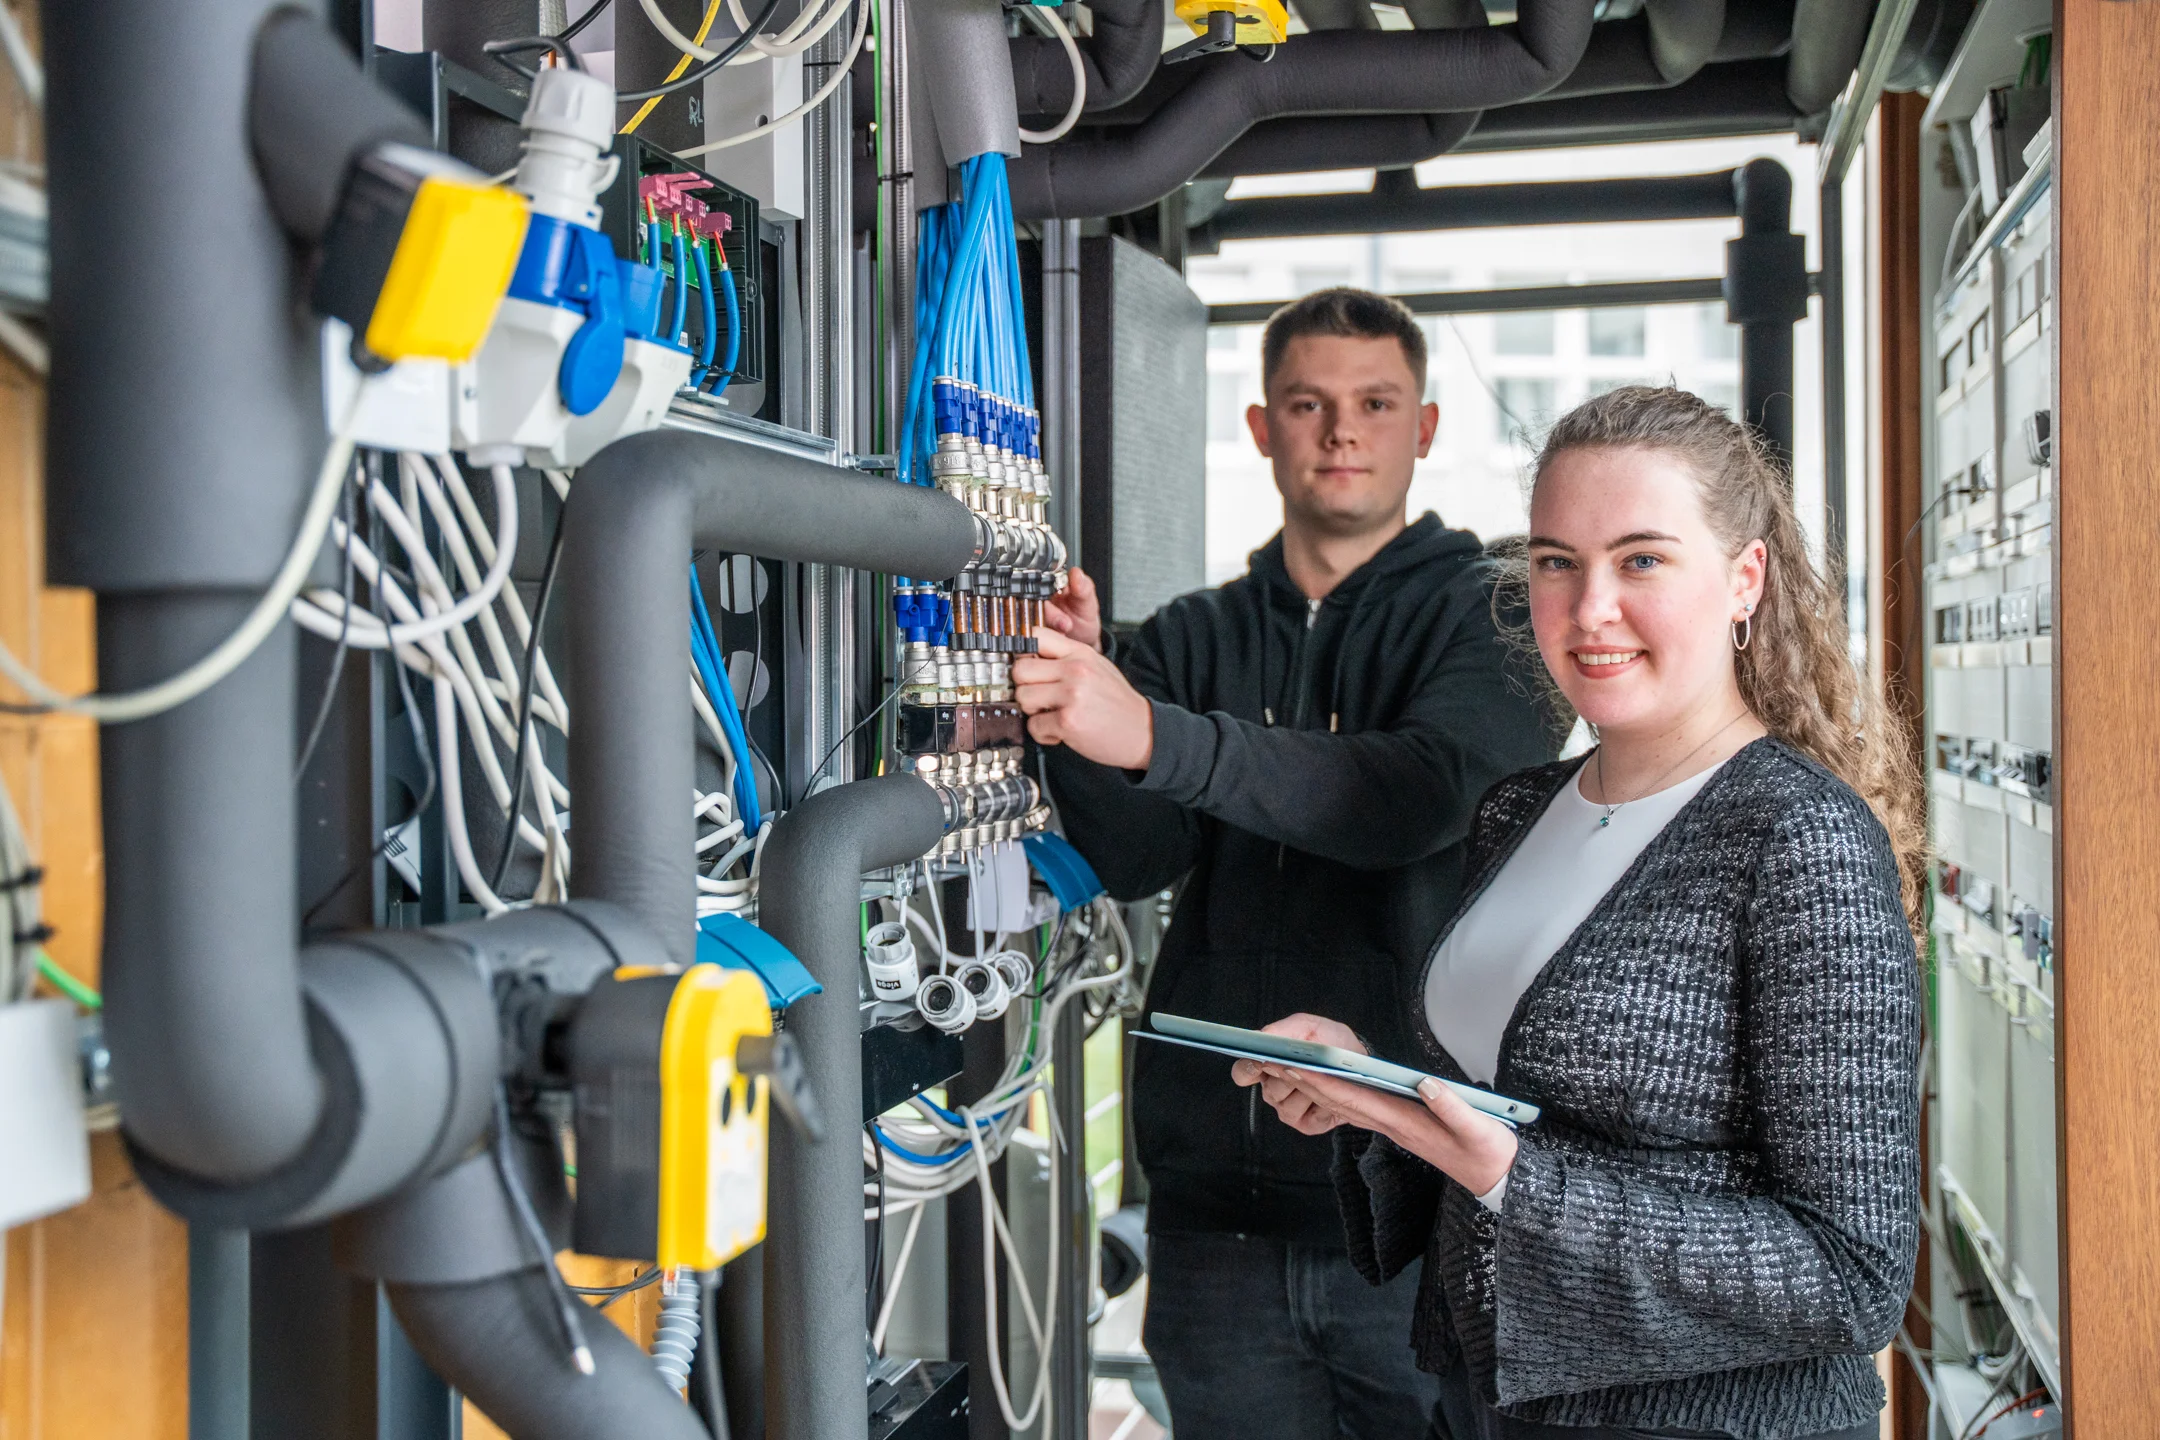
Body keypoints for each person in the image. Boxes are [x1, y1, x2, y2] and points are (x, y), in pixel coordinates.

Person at [1236, 385, 1927, 1440]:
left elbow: (1851, 1276)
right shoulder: (1520, 810)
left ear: (1746, 580)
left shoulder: (1802, 841)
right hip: (1486, 1400)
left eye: (1641, 559)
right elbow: (1509, 1112)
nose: (1590, 607)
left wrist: (1519, 1181)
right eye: (1558, 561)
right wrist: (1372, 1088)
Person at [1013, 288, 1561, 1438]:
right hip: (1214, 1217)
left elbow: (1413, 800)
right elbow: (1137, 858)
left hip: (1413, 1202)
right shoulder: (1193, 638)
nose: (1341, 432)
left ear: (1425, 427)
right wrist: (1066, 709)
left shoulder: (1498, 621)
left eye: (1375, 404)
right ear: (1263, 428)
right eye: (1308, 405)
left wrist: (1156, 736)